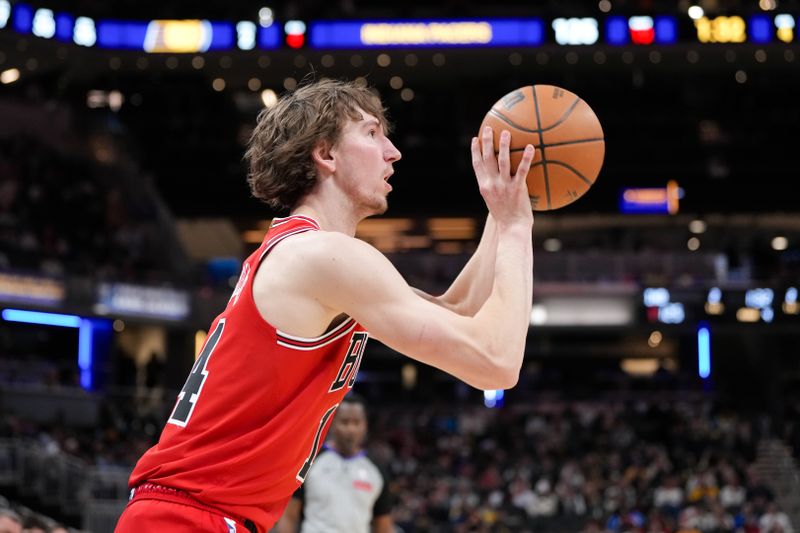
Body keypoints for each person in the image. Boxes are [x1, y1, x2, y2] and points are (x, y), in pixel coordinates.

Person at [115, 78, 535, 533]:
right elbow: (496, 362)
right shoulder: (321, 257)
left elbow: (461, 313)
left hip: (198, 515)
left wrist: (501, 209)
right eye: (373, 134)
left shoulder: (312, 257)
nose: (393, 152)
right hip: (188, 518)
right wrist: (515, 228)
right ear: (326, 155)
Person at [274, 393, 393, 533]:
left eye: (356, 422)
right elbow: (289, 516)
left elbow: (383, 525)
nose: (351, 429)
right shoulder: (310, 461)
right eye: (345, 422)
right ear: (332, 422)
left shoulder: (377, 471)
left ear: (365, 426)